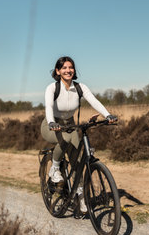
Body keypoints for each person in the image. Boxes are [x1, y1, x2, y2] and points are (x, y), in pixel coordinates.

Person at [40, 56, 117, 213]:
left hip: (70, 125)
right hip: (51, 124)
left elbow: (93, 100)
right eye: (64, 68)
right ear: (58, 71)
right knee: (65, 140)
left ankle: (81, 199)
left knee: (77, 163)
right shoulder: (52, 88)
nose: (68, 70)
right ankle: (54, 168)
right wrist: (51, 123)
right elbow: (48, 106)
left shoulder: (80, 87)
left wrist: (107, 115)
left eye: (71, 67)